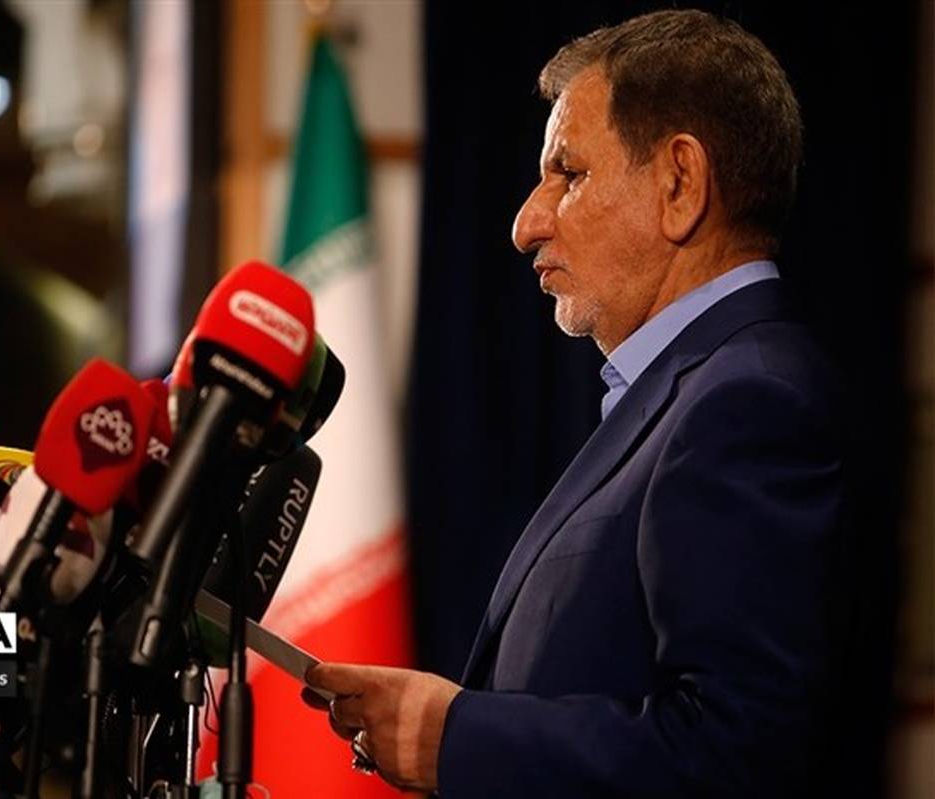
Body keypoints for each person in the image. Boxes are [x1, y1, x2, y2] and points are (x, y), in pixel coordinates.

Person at [305, 9, 846, 797]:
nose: (526, 223)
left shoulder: (748, 401)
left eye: (569, 173)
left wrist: (455, 737)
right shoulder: (689, 392)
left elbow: (736, 754)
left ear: (679, 183)